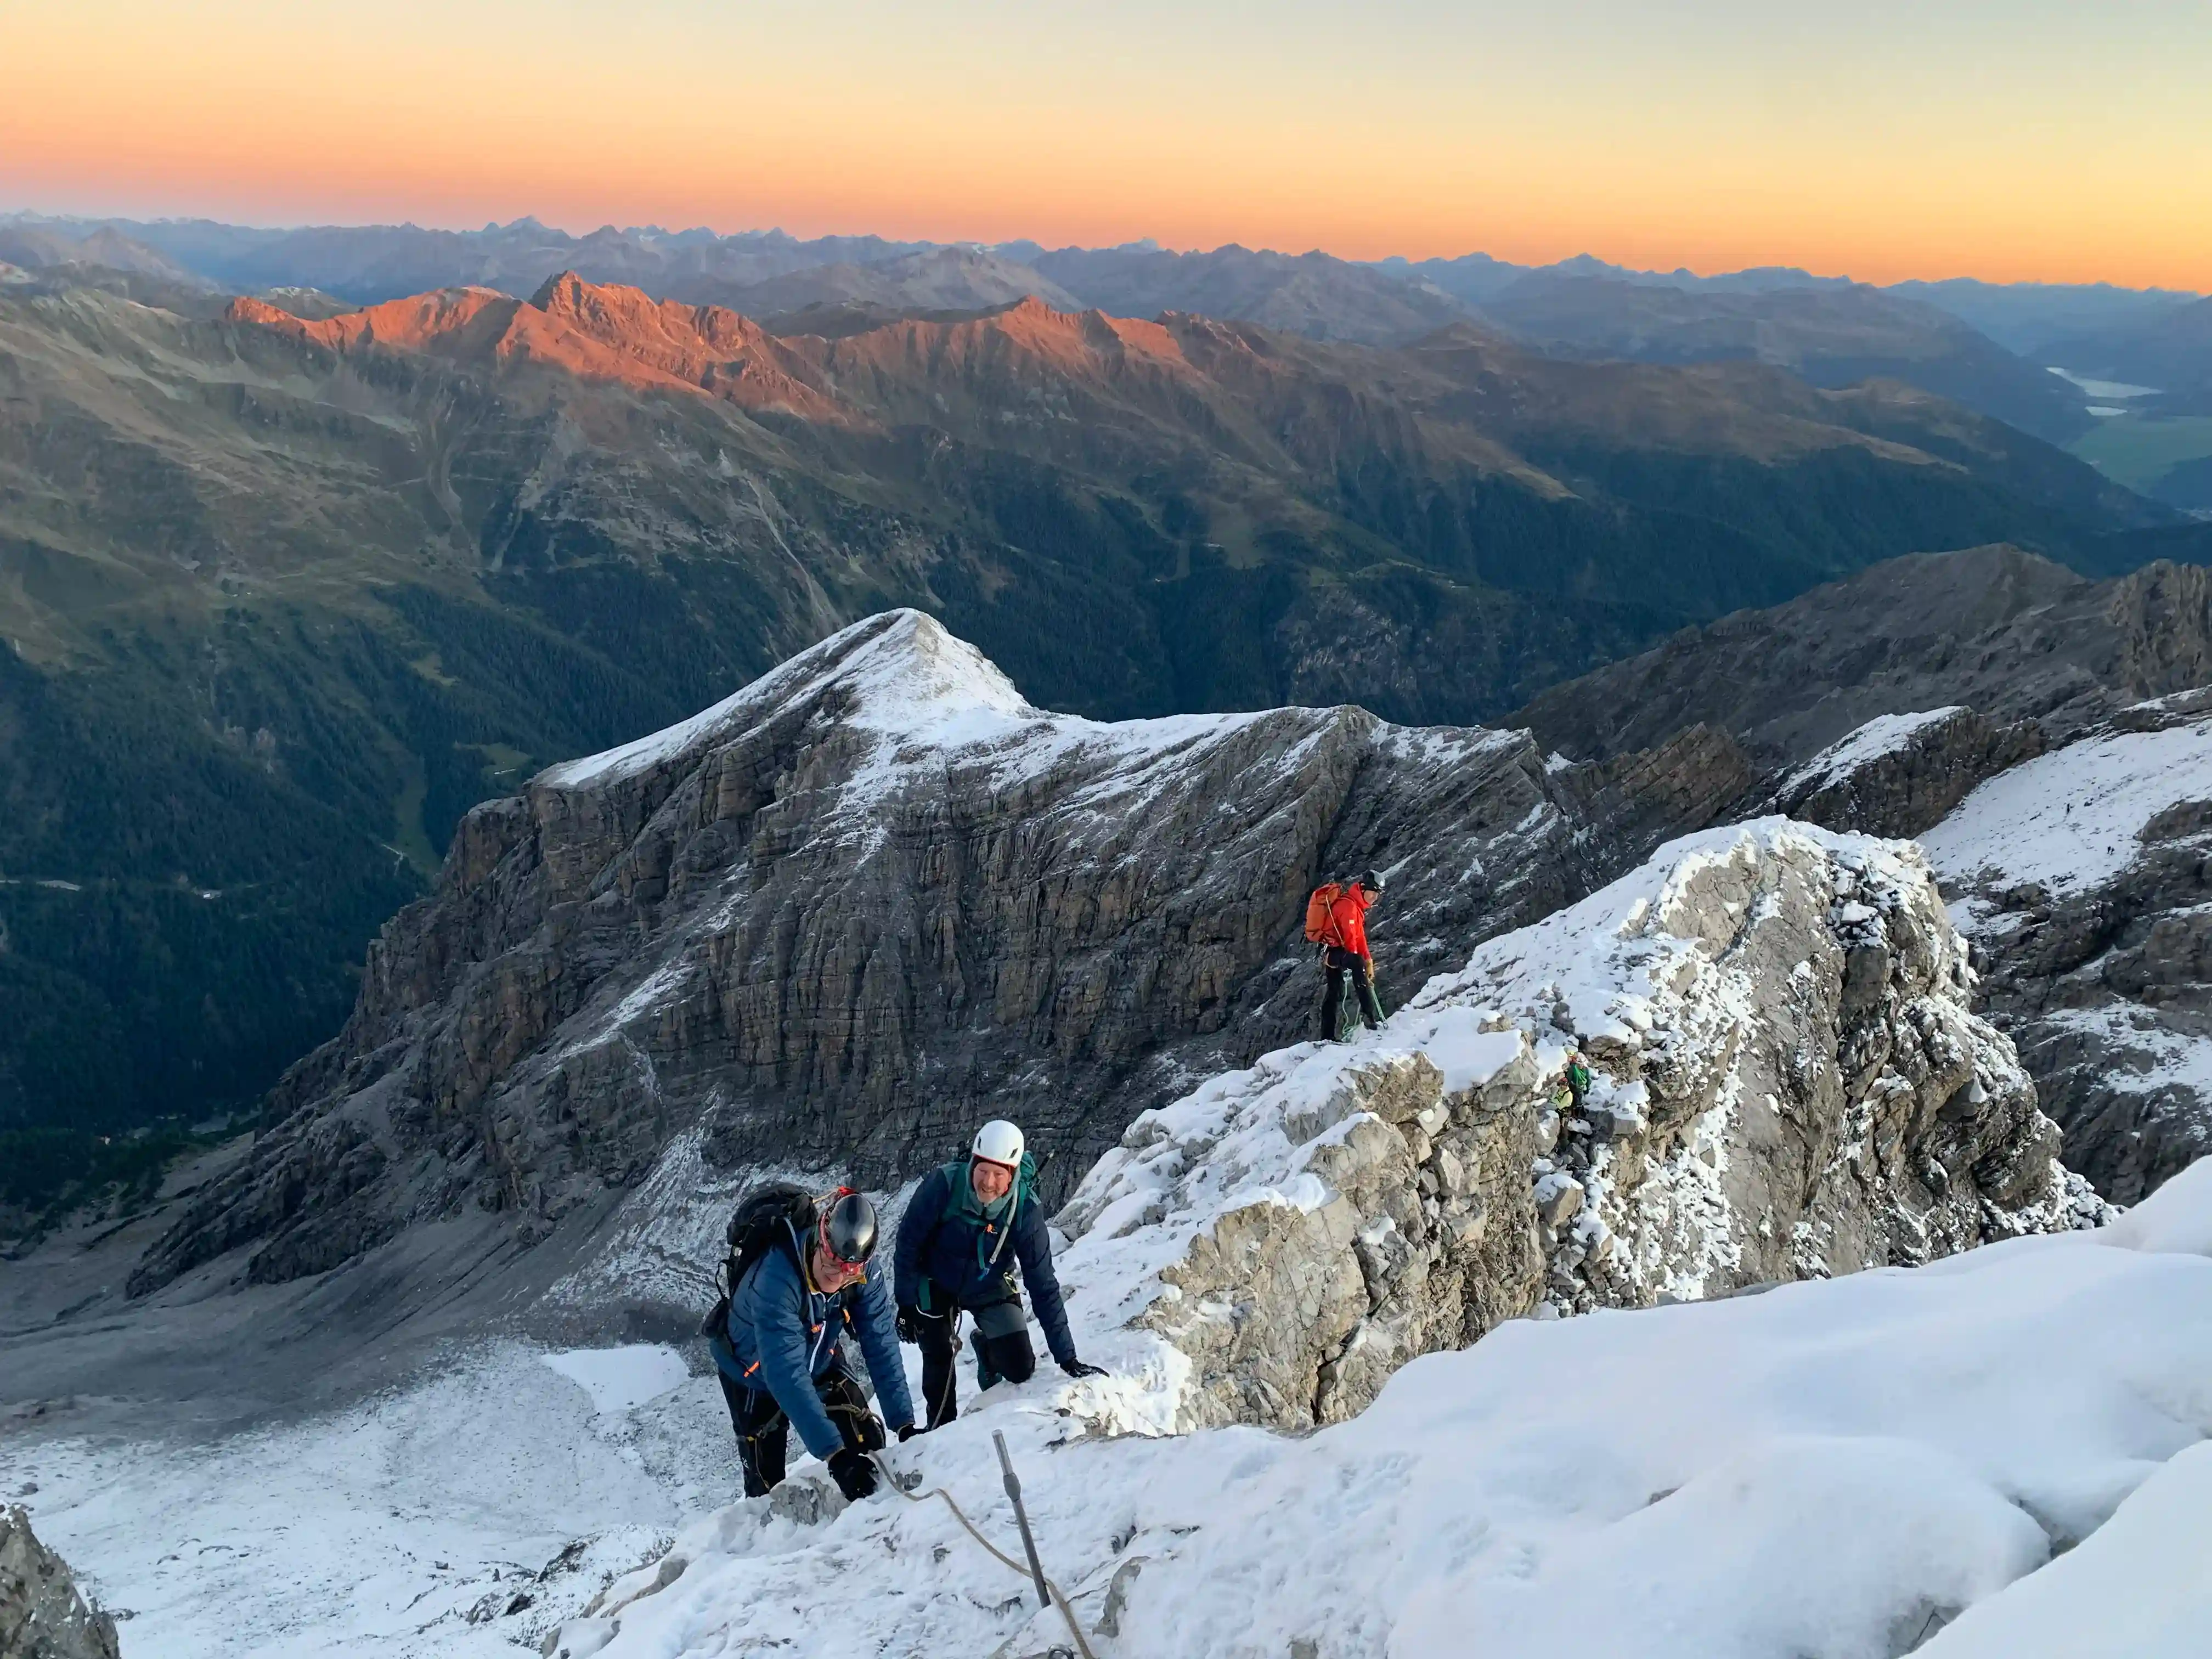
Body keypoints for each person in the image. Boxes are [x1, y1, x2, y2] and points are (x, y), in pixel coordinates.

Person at [709, 1187, 917, 1503]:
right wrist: (835, 1456)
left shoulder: (862, 1272)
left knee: (867, 1442)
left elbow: (881, 1343)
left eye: (848, 1275)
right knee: (767, 1490)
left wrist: (904, 1423)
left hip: (819, 1357)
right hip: (752, 1372)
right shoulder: (777, 1280)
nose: (837, 1280)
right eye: (831, 1268)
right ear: (820, 1243)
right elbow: (785, 1374)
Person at [894, 1120, 1105, 1430]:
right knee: (938, 1356)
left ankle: (987, 1347)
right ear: (972, 1165)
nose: (988, 1183)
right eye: (982, 1171)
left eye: (999, 1174)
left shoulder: (1024, 1209)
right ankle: (940, 1432)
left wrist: (1067, 1357)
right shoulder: (944, 1185)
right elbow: (908, 1243)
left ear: (1013, 1174)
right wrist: (907, 1303)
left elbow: (1042, 1283)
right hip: (936, 1281)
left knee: (1020, 1368)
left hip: (988, 1283)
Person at [1317, 871, 1387, 1041]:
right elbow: (1350, 938)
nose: (1374, 898)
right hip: (1333, 952)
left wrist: (1368, 960)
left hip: (1332, 950)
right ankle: (1369, 1016)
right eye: (1373, 893)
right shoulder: (1349, 906)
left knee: (1335, 991)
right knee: (1355, 965)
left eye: (1377, 895)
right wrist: (1360, 965)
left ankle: (1327, 1036)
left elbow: (1360, 936)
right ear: (1363, 889)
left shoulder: (1355, 906)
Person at [1562, 1049, 1591, 1113]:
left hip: (1574, 1088)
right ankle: (1578, 1113)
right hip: (1582, 1088)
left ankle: (1574, 1114)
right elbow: (1589, 1080)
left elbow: (1568, 1079)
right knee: (1579, 1102)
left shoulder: (1573, 1068)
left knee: (1574, 1102)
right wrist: (1588, 1089)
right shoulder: (1586, 1069)